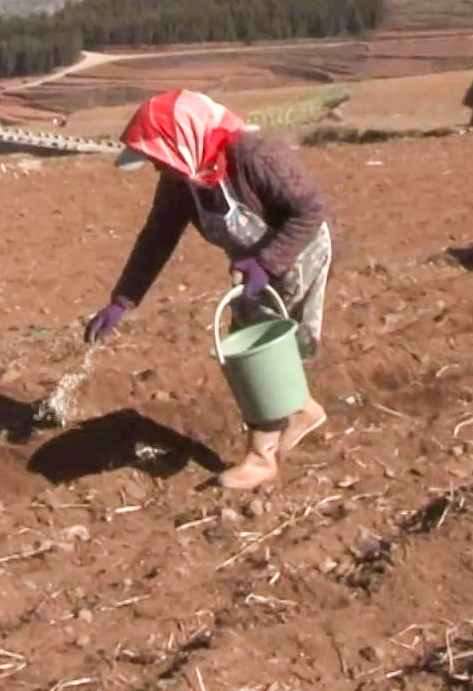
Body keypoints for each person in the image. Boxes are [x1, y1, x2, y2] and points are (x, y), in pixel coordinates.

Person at [83, 90, 332, 489]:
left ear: (181, 141)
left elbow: (310, 209)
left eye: (155, 157)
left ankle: (261, 459)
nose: (154, 168)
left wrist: (267, 262)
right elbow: (156, 238)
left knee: (255, 350)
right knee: (262, 344)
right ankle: (301, 410)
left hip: (297, 252)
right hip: (253, 266)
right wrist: (122, 301)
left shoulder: (254, 155)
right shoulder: (181, 180)